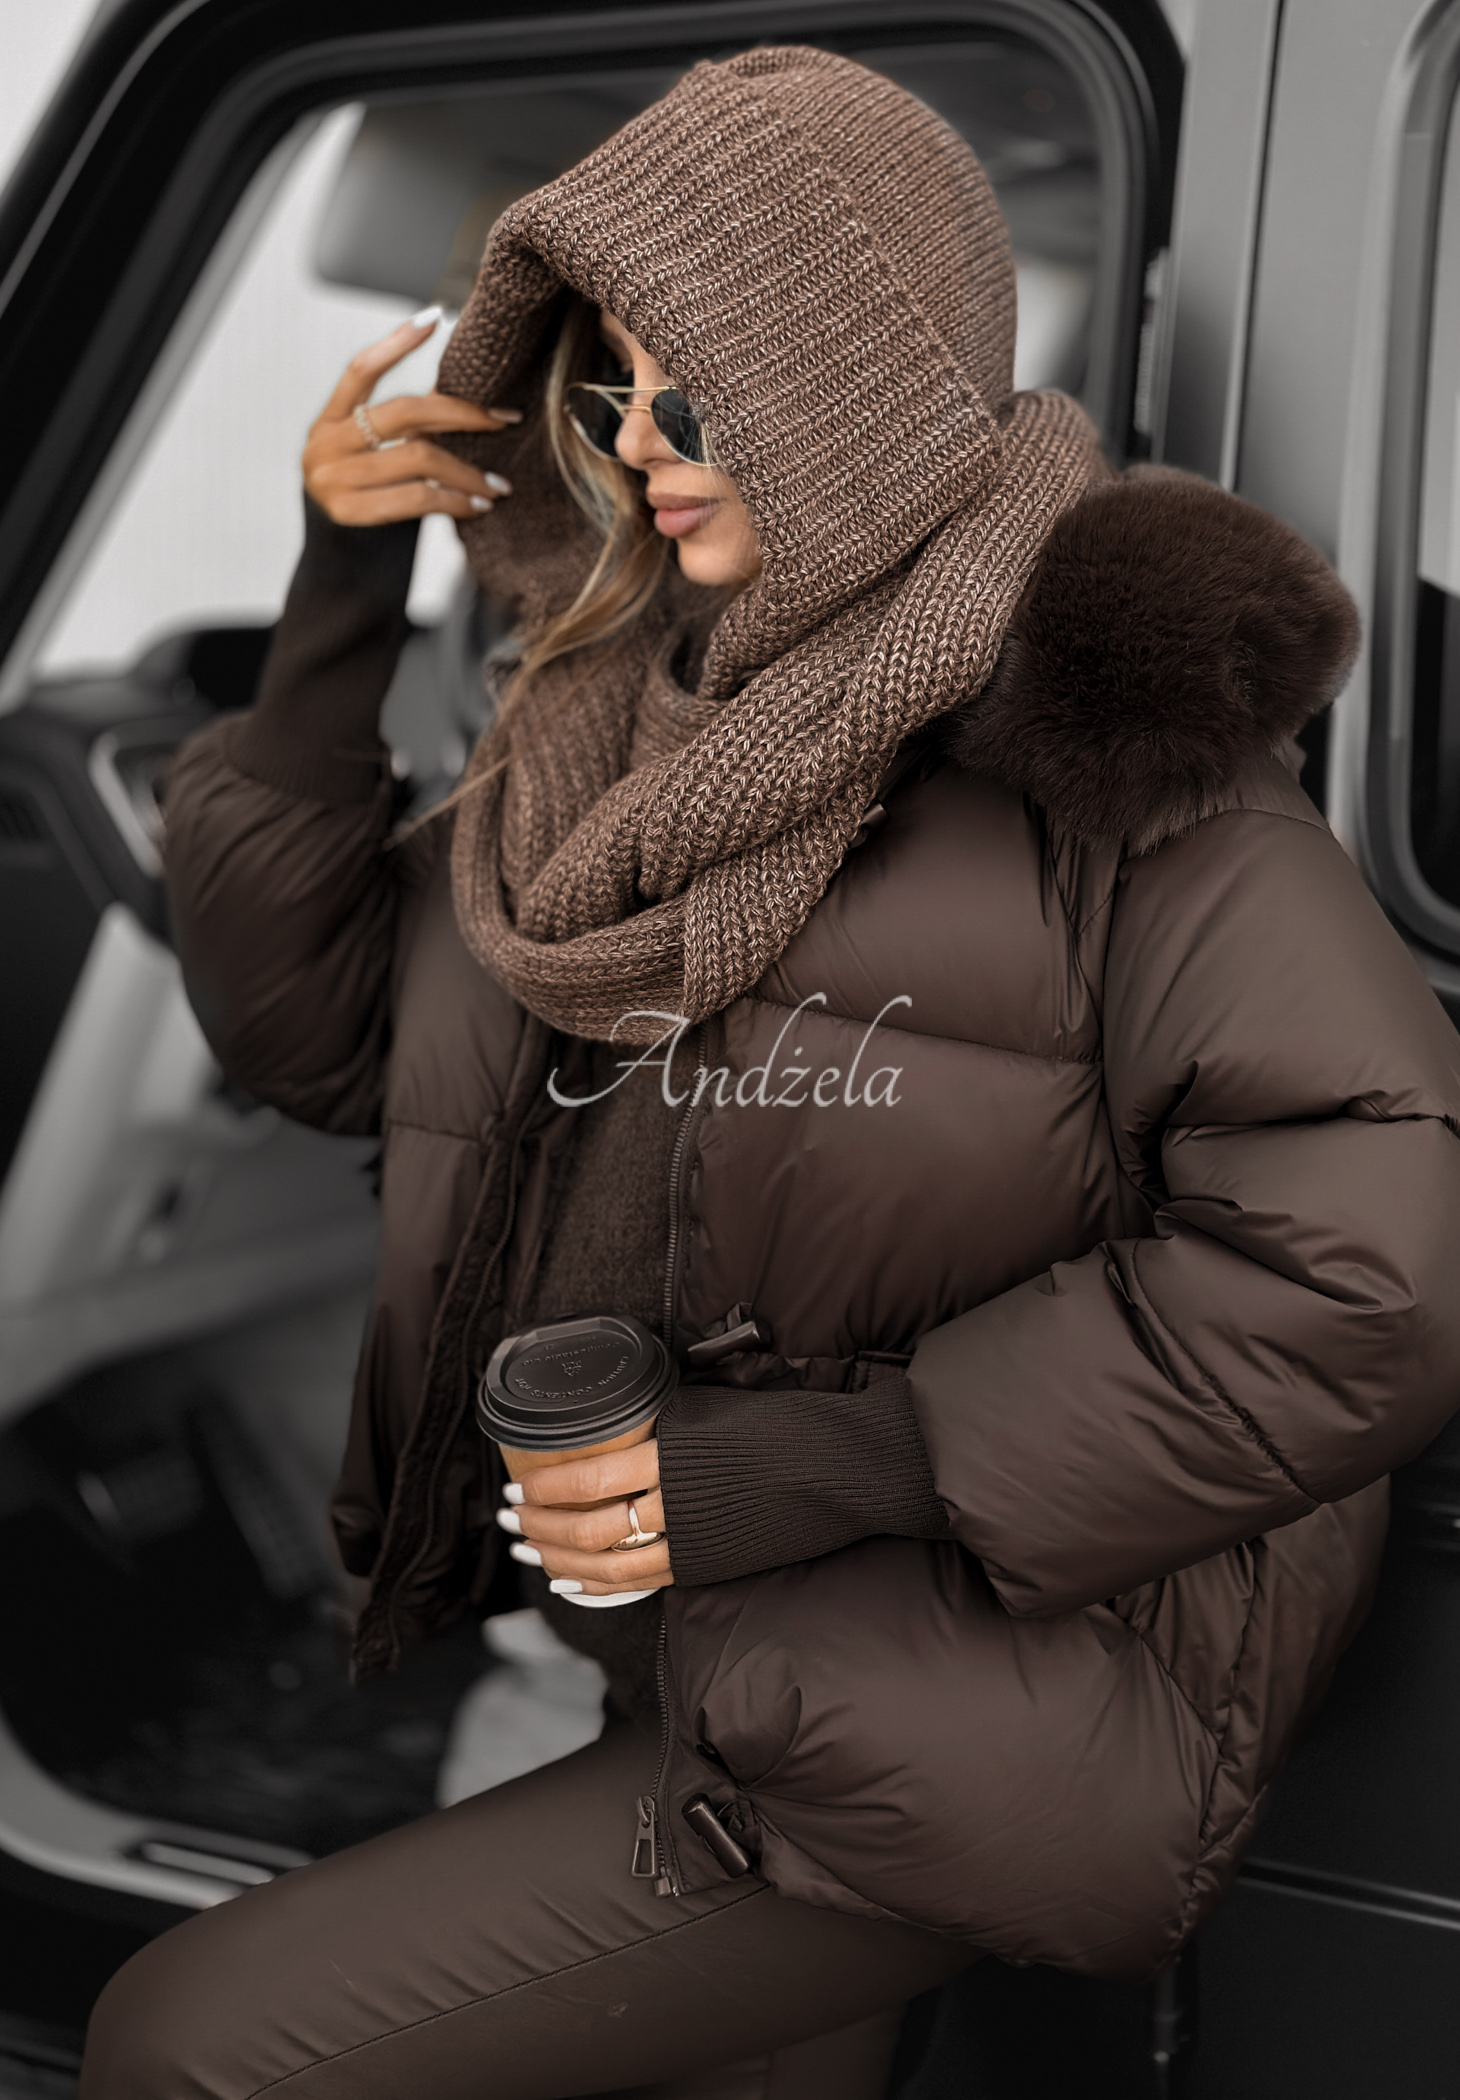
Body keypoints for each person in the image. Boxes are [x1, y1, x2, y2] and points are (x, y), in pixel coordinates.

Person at [81, 44, 1460, 2100]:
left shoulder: (1117, 757)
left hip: (941, 1703)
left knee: (186, 2050)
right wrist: (338, 594)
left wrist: (832, 1465)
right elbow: (326, 1034)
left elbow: (1362, 1274)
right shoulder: (614, 730)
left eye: (698, 395)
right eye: (610, 396)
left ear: (845, 387)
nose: (643, 447)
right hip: (675, 1657)